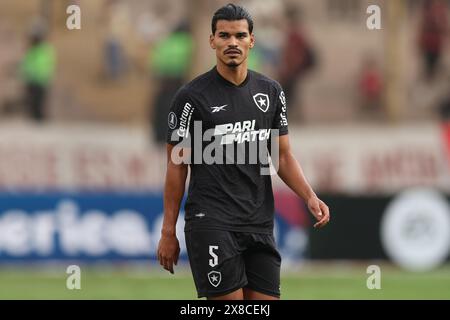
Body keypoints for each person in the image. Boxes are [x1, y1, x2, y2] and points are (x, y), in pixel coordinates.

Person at [157, 3, 330, 300]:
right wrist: (168, 230)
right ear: (212, 41)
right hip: (211, 220)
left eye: (239, 36)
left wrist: (309, 196)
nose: (232, 43)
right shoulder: (191, 98)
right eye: (224, 36)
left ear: (252, 40)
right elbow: (176, 166)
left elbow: (282, 156)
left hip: (259, 222)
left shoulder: (271, 92)